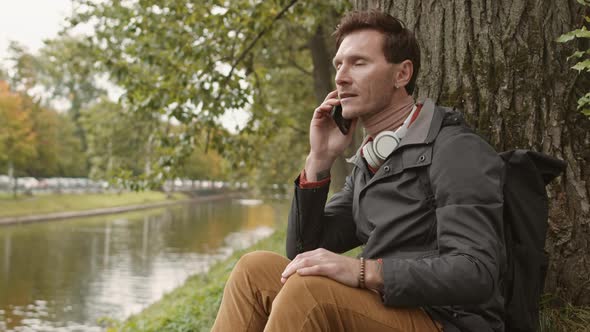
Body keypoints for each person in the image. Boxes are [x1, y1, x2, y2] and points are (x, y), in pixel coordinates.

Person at [212, 10, 505, 332]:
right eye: (339, 64)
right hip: (381, 305)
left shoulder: (455, 149)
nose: (341, 76)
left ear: (401, 74)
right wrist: (319, 159)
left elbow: (476, 271)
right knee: (255, 269)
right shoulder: (373, 161)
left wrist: (365, 271)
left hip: (444, 320)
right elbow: (302, 254)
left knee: (310, 292)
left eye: (358, 63)